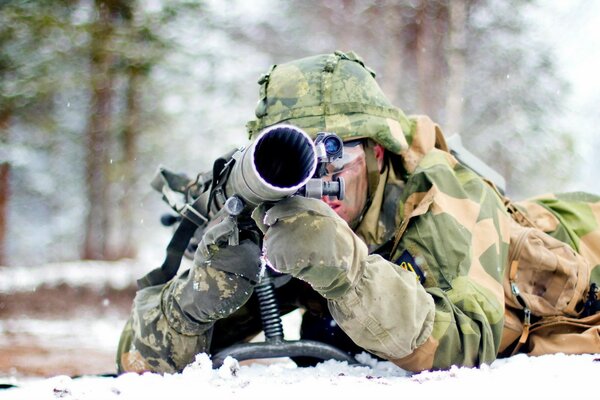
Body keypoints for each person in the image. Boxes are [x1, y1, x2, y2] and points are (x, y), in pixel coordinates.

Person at [116, 51, 600, 374]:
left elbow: (467, 341)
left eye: (332, 156)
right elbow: (135, 361)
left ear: (378, 153)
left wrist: (347, 272)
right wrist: (194, 303)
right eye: (295, 160)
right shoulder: (272, 207)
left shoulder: (437, 199)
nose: (314, 183)